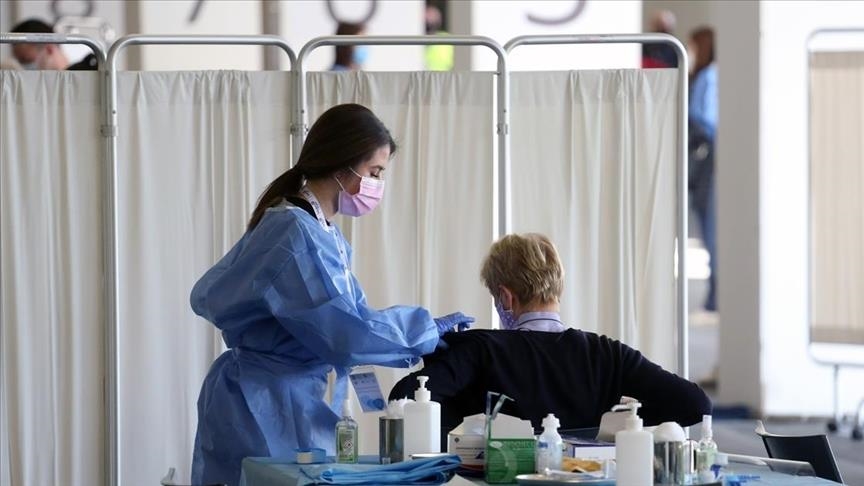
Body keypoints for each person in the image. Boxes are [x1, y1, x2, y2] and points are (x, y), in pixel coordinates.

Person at [190, 103, 474, 486]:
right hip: (262, 402)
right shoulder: (294, 233)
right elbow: (345, 333)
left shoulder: (323, 233)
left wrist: (421, 333)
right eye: (374, 172)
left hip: (287, 396)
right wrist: (422, 331)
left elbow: (356, 316)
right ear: (343, 165)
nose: (377, 184)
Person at [390, 233, 712, 441]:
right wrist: (617, 424)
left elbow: (403, 400)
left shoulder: (482, 349)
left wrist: (432, 348)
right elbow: (696, 404)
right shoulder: (607, 353)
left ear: (505, 297)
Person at [688, 26, 718, 312]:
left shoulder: (707, 76)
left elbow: (700, 116)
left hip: (707, 163)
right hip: (709, 161)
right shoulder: (710, 75)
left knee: (711, 227)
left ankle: (716, 294)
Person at [10, 18, 98, 70]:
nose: (23, 67)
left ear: (49, 49)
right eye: (20, 62)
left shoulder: (90, 69)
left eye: (26, 60)